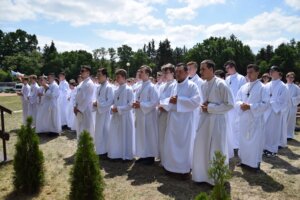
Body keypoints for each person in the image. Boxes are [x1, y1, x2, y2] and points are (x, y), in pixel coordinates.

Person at [192, 59, 234, 185]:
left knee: (216, 148)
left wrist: (210, 108)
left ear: (211, 69)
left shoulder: (221, 84)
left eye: (203, 69)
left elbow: (230, 104)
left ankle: (215, 179)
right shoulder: (204, 85)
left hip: (217, 121)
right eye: (200, 69)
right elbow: (205, 101)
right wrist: (204, 105)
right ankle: (202, 175)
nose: (201, 72)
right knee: (202, 147)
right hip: (205, 120)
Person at [162, 63, 200, 175]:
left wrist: (179, 100)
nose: (177, 74)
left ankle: (183, 170)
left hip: (185, 121)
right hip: (173, 120)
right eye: (176, 72)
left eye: (180, 72)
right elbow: (166, 99)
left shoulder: (192, 86)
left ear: (187, 72)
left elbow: (196, 101)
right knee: (171, 143)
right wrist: (167, 103)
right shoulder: (174, 85)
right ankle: (171, 168)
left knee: (184, 145)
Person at [235, 64, 268, 169]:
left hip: (255, 119)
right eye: (247, 72)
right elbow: (237, 100)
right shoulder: (243, 87)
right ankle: (244, 160)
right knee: (243, 140)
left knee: (255, 141)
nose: (248, 74)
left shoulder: (263, 87)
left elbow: (266, 104)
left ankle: (254, 163)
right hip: (244, 118)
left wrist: (250, 106)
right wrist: (241, 105)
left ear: (257, 73)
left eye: (251, 72)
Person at [133, 65, 159, 165]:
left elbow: (154, 102)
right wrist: (135, 104)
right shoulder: (139, 86)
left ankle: (150, 156)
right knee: (141, 136)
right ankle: (143, 155)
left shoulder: (152, 87)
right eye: (139, 71)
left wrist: (141, 105)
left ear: (148, 74)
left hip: (148, 116)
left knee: (149, 135)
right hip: (140, 115)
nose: (140, 73)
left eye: (142, 72)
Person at [107, 69, 135, 160]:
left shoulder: (128, 89)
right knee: (116, 135)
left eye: (118, 77)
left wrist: (118, 109)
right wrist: (112, 108)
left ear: (123, 77)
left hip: (125, 116)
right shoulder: (116, 89)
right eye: (116, 77)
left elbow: (131, 105)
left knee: (125, 136)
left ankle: (125, 155)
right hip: (116, 116)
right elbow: (114, 102)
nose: (116, 79)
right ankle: (117, 154)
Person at [263, 66, 289, 157]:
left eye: (273, 71)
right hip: (266, 111)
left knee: (273, 131)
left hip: (275, 111)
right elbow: (263, 97)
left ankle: (272, 149)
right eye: (270, 71)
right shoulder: (267, 85)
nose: (271, 72)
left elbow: (283, 100)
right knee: (265, 130)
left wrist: (272, 102)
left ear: (278, 72)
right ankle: (265, 148)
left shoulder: (283, 86)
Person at [224, 60, 247, 158]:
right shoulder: (227, 78)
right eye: (226, 68)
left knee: (236, 127)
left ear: (232, 67)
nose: (227, 70)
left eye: (228, 68)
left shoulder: (241, 78)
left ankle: (237, 147)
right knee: (229, 126)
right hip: (228, 107)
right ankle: (230, 146)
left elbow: (243, 92)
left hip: (236, 106)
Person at [157, 64, 176, 166]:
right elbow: (159, 98)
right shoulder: (162, 86)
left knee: (168, 137)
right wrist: (160, 104)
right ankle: (163, 159)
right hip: (161, 113)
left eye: (166, 72)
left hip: (169, 114)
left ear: (172, 73)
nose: (164, 75)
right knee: (161, 136)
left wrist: (163, 104)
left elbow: (172, 100)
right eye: (163, 72)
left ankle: (169, 160)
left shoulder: (175, 85)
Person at [93, 68, 114, 157]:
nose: (98, 77)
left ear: (105, 76)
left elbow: (110, 101)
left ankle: (105, 151)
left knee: (105, 131)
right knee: (99, 131)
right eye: (97, 75)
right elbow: (97, 99)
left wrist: (98, 104)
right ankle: (99, 150)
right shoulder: (99, 87)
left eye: (99, 75)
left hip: (105, 113)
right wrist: (95, 103)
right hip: (99, 112)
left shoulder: (109, 87)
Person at [74, 65, 95, 139]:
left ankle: (87, 147)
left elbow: (87, 98)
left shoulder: (90, 83)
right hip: (79, 108)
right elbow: (77, 96)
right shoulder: (81, 83)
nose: (81, 72)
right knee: (79, 127)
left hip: (85, 109)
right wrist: (75, 106)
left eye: (83, 71)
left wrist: (79, 108)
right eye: (81, 71)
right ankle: (80, 145)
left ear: (88, 73)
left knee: (86, 128)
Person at [286, 72, 300, 139]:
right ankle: (283, 135)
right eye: (289, 77)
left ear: (294, 78)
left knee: (291, 121)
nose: (290, 78)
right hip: (284, 107)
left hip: (292, 106)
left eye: (292, 77)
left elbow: (299, 97)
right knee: (284, 121)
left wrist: (292, 99)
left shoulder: (296, 87)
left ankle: (289, 135)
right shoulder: (283, 86)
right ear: (286, 78)